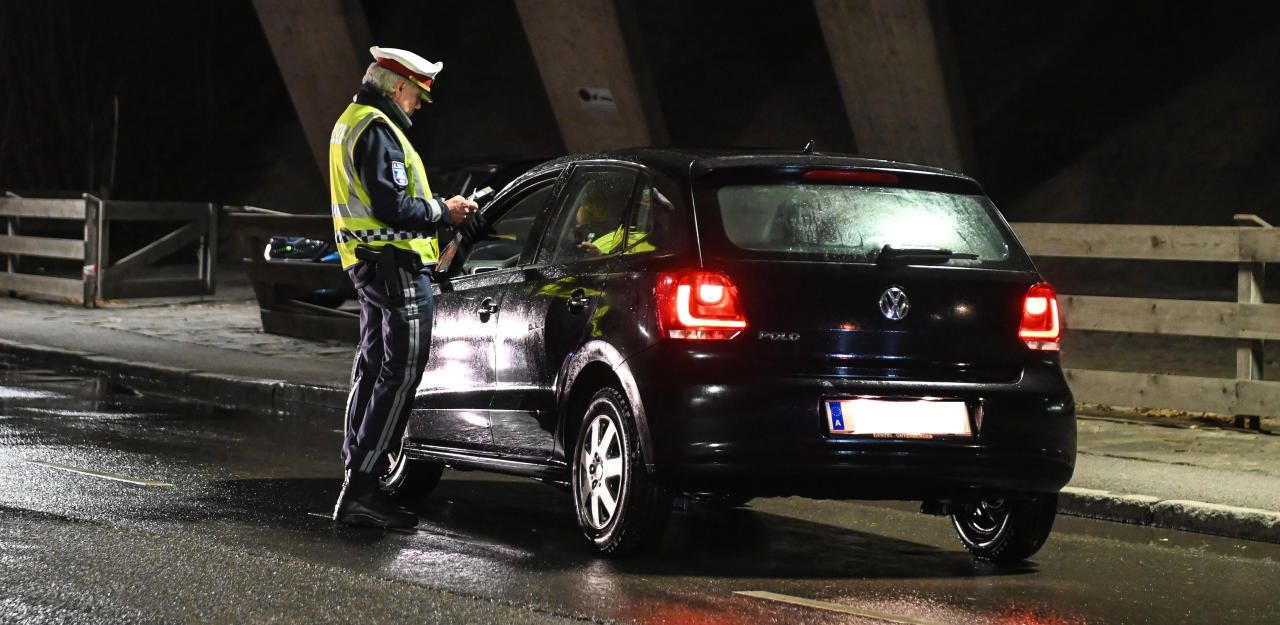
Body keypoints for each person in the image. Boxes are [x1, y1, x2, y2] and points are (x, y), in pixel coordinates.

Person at [329, 46, 478, 528]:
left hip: (370, 264)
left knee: (373, 368)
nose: (416, 106)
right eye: (416, 96)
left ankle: (357, 477)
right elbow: (394, 207)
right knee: (400, 374)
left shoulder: (351, 122)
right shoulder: (377, 129)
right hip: (395, 266)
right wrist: (444, 211)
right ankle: (364, 488)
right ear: (398, 87)